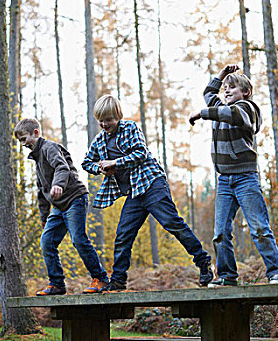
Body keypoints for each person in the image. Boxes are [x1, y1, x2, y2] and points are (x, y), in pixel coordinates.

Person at [82, 95, 213, 292]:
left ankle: (204, 262)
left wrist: (115, 163)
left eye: (108, 119)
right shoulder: (100, 140)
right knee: (123, 234)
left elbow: (140, 153)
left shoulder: (130, 128)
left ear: (118, 116)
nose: (104, 124)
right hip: (134, 193)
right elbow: (86, 163)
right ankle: (118, 279)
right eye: (101, 120)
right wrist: (100, 168)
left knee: (172, 223)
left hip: (151, 184)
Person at [188, 64, 278, 286]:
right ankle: (227, 276)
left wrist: (202, 114)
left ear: (245, 92)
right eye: (225, 87)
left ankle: (275, 273)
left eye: (232, 87)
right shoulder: (222, 108)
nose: (227, 90)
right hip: (224, 180)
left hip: (245, 178)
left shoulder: (247, 109)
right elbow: (208, 94)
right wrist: (221, 74)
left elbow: (230, 114)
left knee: (259, 228)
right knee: (220, 233)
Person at [14, 118, 109, 295]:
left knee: (78, 239)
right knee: (47, 241)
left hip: (75, 198)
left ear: (35, 133)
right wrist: (44, 219)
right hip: (59, 207)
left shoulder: (49, 148)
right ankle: (57, 283)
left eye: (24, 139)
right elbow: (42, 192)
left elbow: (62, 168)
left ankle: (101, 279)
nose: (23, 144)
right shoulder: (37, 159)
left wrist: (58, 184)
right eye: (20, 141)